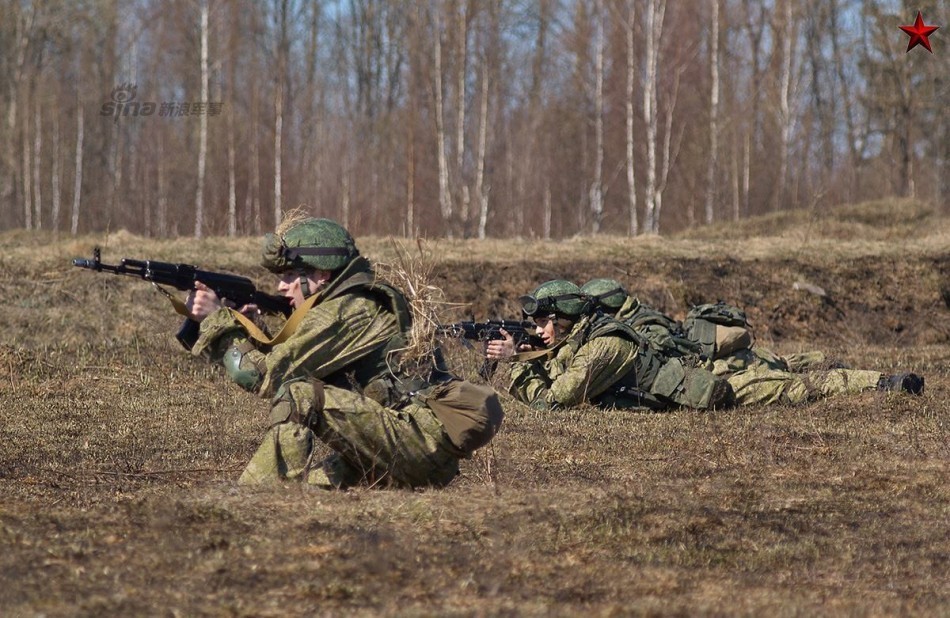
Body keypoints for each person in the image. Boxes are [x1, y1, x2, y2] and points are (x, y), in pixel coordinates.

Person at [183, 216, 504, 488]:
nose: (281, 286)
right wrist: (252, 330)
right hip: (414, 447)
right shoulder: (359, 301)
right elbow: (289, 362)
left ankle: (259, 499)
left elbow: (264, 377)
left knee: (300, 395)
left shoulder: (348, 310)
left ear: (322, 274)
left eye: (290, 275)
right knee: (316, 487)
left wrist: (216, 320)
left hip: (417, 443)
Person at [580, 278, 925, 406]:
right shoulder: (638, 314)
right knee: (784, 367)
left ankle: (881, 382)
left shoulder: (639, 324)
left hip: (715, 370)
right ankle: (829, 363)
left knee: (793, 387)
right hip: (720, 362)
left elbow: (664, 353)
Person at [484, 280, 734, 411]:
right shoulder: (582, 333)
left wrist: (516, 361)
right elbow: (559, 373)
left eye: (542, 322)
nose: (538, 331)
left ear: (563, 318)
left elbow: (550, 404)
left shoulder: (602, 345)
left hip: (709, 389)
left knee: (758, 388)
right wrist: (534, 358)